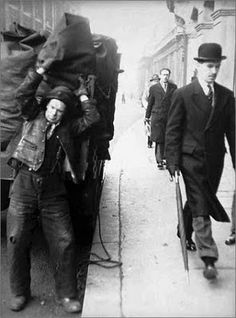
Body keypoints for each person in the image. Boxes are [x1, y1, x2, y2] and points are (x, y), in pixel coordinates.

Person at [6, 59, 100, 312]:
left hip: (53, 193)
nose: (53, 113)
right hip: (24, 187)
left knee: (64, 241)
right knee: (17, 239)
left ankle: (67, 295)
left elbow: (92, 118)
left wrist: (81, 94)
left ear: (64, 112)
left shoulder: (70, 128)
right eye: (51, 107)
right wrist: (40, 71)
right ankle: (19, 292)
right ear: (45, 105)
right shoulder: (31, 114)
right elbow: (22, 93)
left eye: (59, 110)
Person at [165, 43, 235, 280]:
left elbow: (232, 133)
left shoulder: (226, 96)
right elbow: (173, 130)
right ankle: (208, 258)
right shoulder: (183, 94)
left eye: (216, 66)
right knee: (200, 203)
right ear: (198, 66)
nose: (213, 70)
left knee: (200, 199)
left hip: (215, 161)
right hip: (190, 159)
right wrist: (172, 162)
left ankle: (182, 230)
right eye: (209, 66)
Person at [145, 68, 177, 168]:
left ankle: (166, 158)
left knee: (168, 138)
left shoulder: (173, 87)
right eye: (163, 74)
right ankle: (159, 161)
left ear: (169, 76)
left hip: (169, 117)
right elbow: (150, 103)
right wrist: (147, 117)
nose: (165, 76)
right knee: (159, 139)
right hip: (157, 117)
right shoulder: (154, 88)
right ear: (160, 76)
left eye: (167, 75)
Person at [142, 74, 160, 148]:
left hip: (157, 109)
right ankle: (149, 141)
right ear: (151, 81)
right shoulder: (148, 89)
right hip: (149, 110)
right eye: (154, 81)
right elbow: (144, 98)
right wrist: (147, 106)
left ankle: (158, 141)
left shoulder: (160, 88)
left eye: (157, 81)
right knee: (148, 125)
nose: (155, 82)